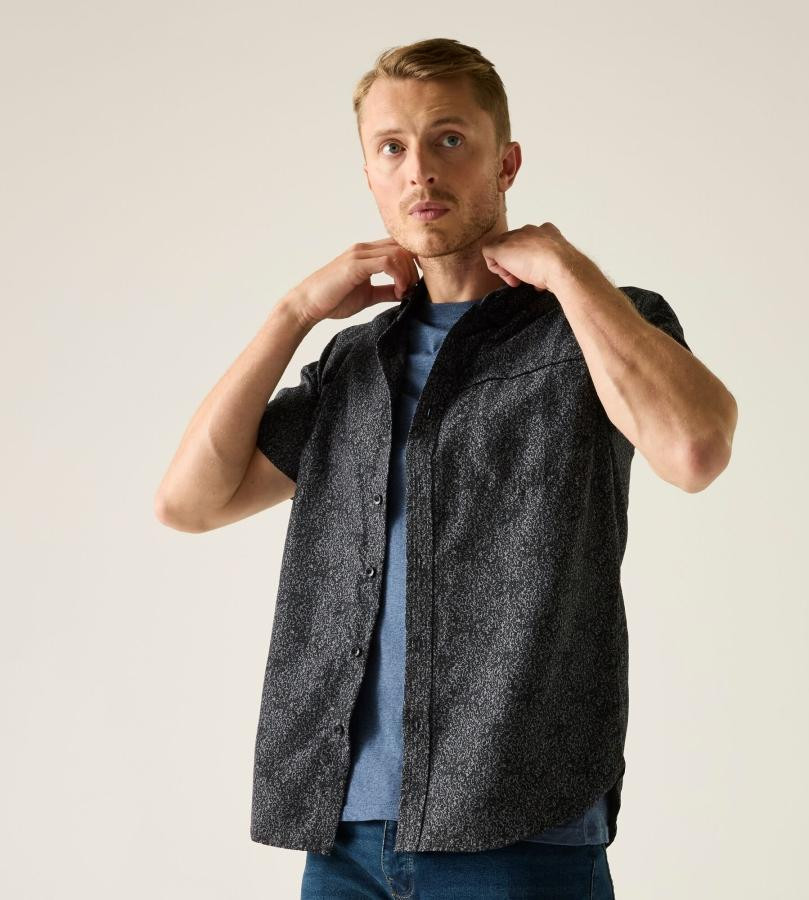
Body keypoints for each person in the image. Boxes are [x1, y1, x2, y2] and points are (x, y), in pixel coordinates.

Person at [155, 37, 737, 900]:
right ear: (370, 175)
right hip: (344, 833)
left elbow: (694, 450)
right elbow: (188, 503)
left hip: (520, 822)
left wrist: (567, 270)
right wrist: (293, 312)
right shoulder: (357, 363)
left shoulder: (595, 326)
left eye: (450, 139)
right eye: (392, 147)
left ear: (507, 163)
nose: (420, 169)